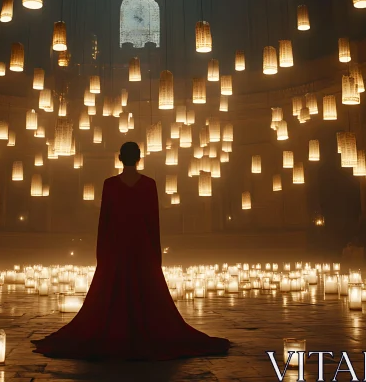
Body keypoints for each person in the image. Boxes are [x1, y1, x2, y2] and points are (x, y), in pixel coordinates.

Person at [32, 142, 230, 360]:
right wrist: (155, 254)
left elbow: (104, 221)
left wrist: (102, 253)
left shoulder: (111, 185)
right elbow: (153, 222)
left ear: (119, 158)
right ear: (139, 158)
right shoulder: (148, 184)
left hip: (116, 246)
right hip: (141, 246)